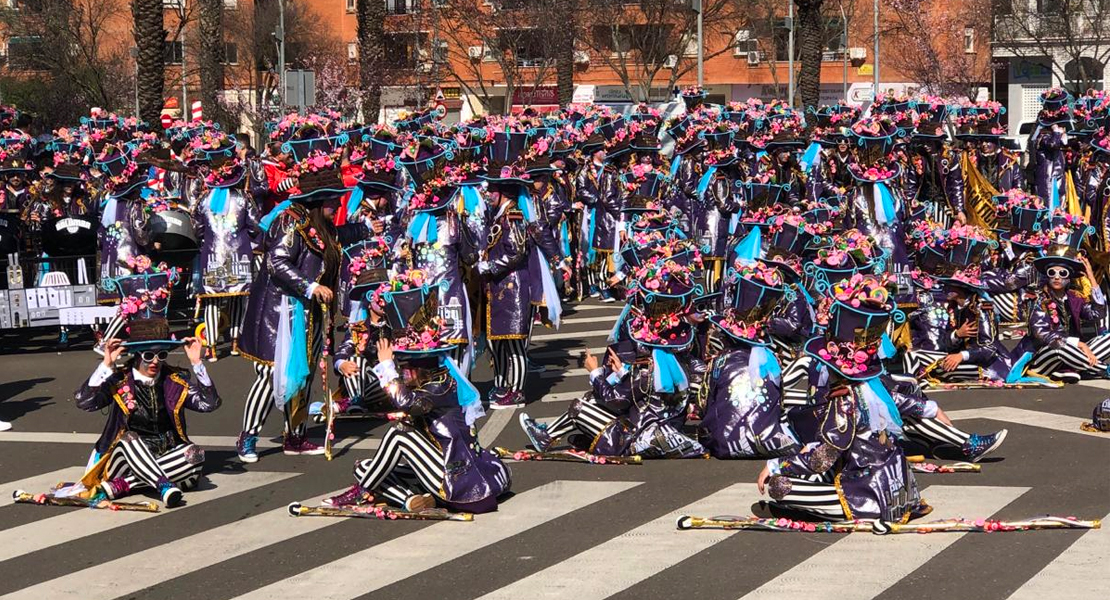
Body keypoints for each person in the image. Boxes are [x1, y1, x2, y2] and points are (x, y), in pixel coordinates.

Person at [324, 277, 510, 513]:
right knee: (365, 467)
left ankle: (362, 493)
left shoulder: (438, 386)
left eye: (405, 363)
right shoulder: (434, 379)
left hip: (462, 482)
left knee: (398, 435)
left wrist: (387, 368)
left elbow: (405, 403)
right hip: (444, 465)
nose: (403, 368)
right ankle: (410, 498)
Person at [236, 155, 370, 463]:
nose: (337, 207)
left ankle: (295, 436)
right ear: (317, 202)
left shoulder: (318, 225)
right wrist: (309, 286)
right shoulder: (290, 221)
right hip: (280, 312)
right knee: (273, 374)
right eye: (332, 203)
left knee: (304, 371)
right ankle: (248, 436)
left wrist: (365, 229)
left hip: (310, 312)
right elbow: (276, 262)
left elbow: (334, 237)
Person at [72, 318, 219, 508]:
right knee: (129, 438)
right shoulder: (119, 380)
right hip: (124, 458)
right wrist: (106, 365)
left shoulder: (174, 380)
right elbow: (85, 402)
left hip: (163, 454)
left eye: (162, 355)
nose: (155, 362)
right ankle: (163, 484)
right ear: (136, 355)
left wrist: (197, 363)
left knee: (195, 454)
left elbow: (209, 403)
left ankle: (125, 485)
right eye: (149, 355)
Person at [191, 138, 260, 361]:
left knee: (211, 299)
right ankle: (234, 342)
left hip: (212, 253)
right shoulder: (243, 198)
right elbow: (254, 226)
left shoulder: (203, 200)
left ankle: (211, 347)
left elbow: (197, 228)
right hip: (238, 252)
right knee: (237, 298)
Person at [1019, 245, 1110, 383]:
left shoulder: (1074, 298)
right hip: (1044, 355)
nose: (1056, 277)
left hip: (1073, 354)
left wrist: (1092, 278)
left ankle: (1073, 368)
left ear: (1069, 278)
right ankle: (1100, 368)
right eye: (1052, 273)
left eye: (1062, 274)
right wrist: (1079, 344)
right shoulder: (1038, 298)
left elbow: (1096, 313)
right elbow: (1041, 333)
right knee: (1059, 346)